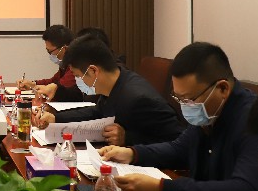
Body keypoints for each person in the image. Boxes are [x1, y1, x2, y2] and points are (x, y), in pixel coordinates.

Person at [98, 42, 258, 191]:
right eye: (179, 98)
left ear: (222, 88)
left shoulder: (256, 120)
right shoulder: (209, 113)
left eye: (189, 99)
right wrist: (132, 153)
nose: (185, 106)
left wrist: (161, 190)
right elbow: (179, 149)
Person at [35, 34, 183, 145]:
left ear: (93, 71)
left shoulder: (138, 98)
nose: (78, 81)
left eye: (78, 76)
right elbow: (97, 112)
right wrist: (56, 118)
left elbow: (179, 141)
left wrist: (128, 138)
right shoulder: (117, 81)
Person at [17, 24, 81, 102]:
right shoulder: (65, 63)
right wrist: (33, 84)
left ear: (64, 48)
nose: (50, 55)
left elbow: (59, 87)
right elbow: (53, 81)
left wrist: (37, 87)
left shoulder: (77, 64)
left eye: (50, 51)